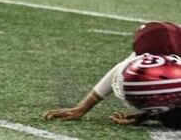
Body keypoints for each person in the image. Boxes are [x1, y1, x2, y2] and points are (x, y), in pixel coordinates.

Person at [43, 22, 181, 128]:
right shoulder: (157, 48)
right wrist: (82, 108)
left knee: (173, 119)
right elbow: (120, 69)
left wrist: (153, 115)